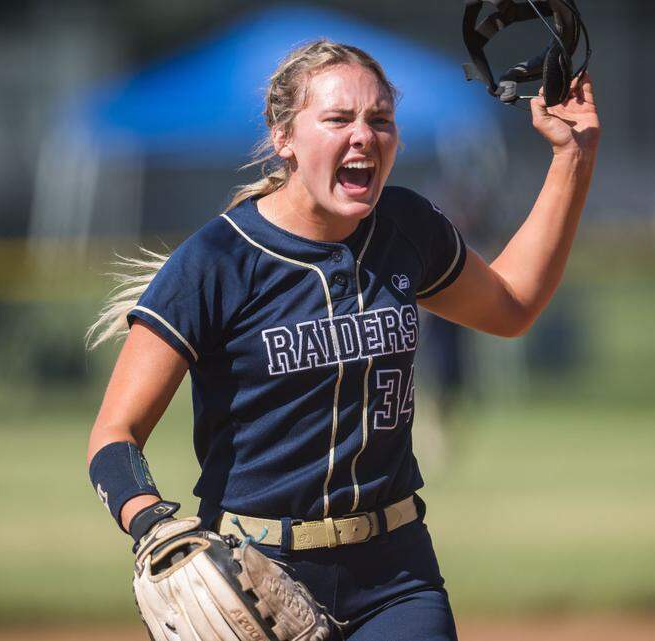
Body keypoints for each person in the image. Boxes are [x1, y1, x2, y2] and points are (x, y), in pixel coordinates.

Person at [85, 39, 598, 640]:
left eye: (380, 120)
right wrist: (152, 523)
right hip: (257, 576)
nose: (364, 135)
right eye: (337, 119)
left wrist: (573, 157)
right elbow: (113, 436)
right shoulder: (218, 259)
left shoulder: (407, 228)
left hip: (397, 576)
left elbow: (512, 306)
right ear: (285, 138)